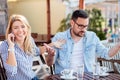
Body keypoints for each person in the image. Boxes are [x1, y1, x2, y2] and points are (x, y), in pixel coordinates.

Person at [45, 9, 120, 74]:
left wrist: (118, 45)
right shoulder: (59, 37)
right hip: (65, 77)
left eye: (86, 26)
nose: (83, 29)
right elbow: (49, 63)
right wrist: (51, 55)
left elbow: (106, 54)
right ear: (72, 23)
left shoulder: (92, 37)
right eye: (80, 26)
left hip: (88, 77)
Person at [0, 14, 58, 80]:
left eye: (23, 27)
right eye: (16, 28)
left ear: (27, 28)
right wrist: (11, 46)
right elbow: (12, 71)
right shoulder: (5, 45)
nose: (20, 30)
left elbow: (36, 51)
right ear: (11, 31)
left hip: (33, 78)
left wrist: (52, 46)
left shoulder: (29, 40)